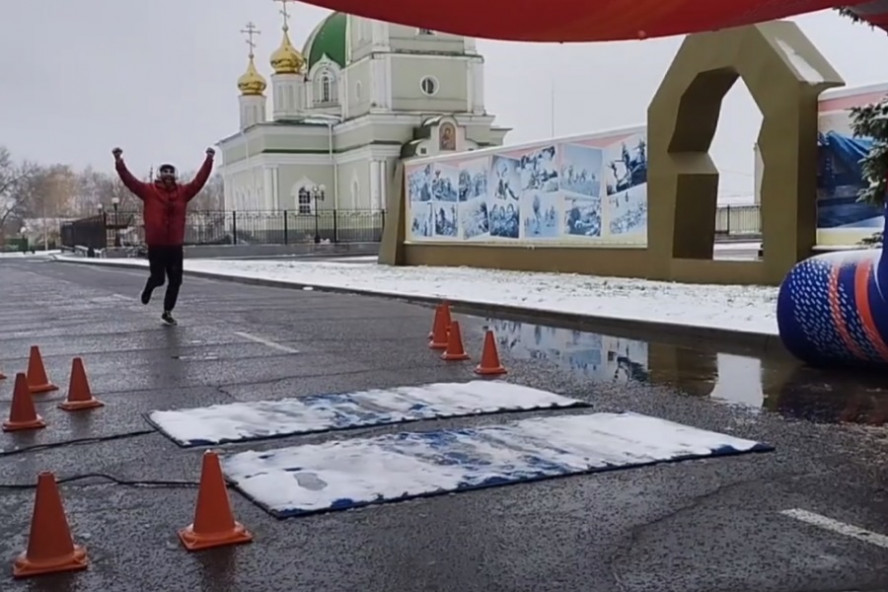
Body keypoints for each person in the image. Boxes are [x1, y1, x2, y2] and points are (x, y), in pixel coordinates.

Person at [112, 146, 215, 325]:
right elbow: (130, 181)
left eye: (171, 172)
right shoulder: (149, 191)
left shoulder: (183, 192)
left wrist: (209, 159)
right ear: (160, 175)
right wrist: (119, 161)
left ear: (175, 175)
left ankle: (167, 311)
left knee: (176, 280)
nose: (168, 175)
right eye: (164, 172)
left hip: (175, 245)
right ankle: (149, 288)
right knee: (159, 278)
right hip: (157, 244)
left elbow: (199, 181)